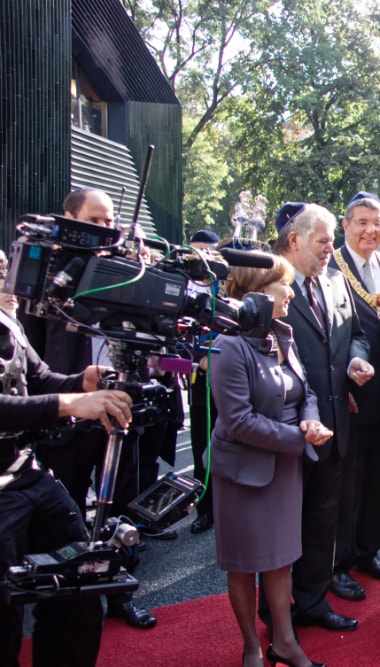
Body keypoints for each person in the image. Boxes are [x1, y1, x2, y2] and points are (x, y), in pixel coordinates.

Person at [21, 187, 158, 629]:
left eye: (108, 221)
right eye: (94, 221)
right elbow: (33, 357)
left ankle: (119, 594)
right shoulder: (49, 275)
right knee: (67, 515)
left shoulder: (126, 269)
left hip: (119, 409)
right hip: (68, 416)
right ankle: (63, 601)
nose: (103, 229)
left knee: (120, 508)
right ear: (69, 218)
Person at [211, 256, 332, 667]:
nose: (293, 293)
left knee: (281, 560)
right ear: (259, 290)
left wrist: (310, 421)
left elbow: (307, 391)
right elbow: (239, 421)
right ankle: (251, 648)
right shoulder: (227, 345)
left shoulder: (283, 335)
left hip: (284, 468)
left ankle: (285, 643)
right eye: (286, 285)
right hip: (245, 473)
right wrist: (299, 438)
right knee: (245, 565)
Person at [0, 304, 133, 667]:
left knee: (79, 589)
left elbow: (38, 380)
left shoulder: (7, 320)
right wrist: (70, 401)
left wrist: (80, 381)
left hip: (27, 475)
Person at [269, 202, 371, 631]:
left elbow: (357, 336)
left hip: (333, 425)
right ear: (294, 240)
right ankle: (275, 614)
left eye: (332, 240)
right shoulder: (268, 284)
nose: (332, 249)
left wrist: (355, 363)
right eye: (324, 240)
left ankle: (311, 602)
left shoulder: (336, 280)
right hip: (286, 428)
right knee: (279, 527)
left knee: (322, 519)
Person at [329, 192, 380, 597]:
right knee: (345, 484)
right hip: (351, 392)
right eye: (362, 222)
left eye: (376, 222)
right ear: (346, 226)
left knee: (377, 478)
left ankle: (368, 550)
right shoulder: (331, 268)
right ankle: (338, 564)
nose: (370, 230)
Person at [187, 229, 221, 535]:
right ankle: (204, 507)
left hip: (226, 378)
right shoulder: (180, 284)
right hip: (198, 379)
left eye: (208, 251)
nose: (201, 257)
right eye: (196, 251)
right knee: (201, 446)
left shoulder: (226, 286)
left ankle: (227, 508)